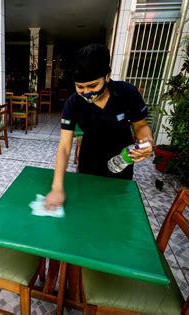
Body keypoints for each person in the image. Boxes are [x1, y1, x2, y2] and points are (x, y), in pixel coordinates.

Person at [45, 44, 154, 209]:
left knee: (116, 209)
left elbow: (140, 126)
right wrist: (57, 187)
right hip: (89, 161)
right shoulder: (73, 103)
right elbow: (65, 146)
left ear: (107, 76)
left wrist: (147, 141)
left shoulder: (127, 93)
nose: (87, 92)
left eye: (93, 86)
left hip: (121, 162)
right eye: (80, 87)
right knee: (87, 207)